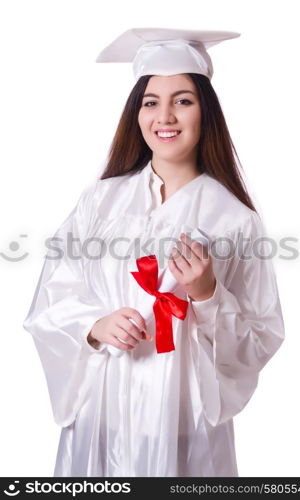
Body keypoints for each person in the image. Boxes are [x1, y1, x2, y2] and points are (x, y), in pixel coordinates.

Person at [23, 28, 285, 477]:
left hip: (182, 422)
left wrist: (206, 295)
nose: (165, 115)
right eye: (150, 102)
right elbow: (51, 298)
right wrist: (93, 325)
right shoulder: (99, 202)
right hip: (101, 415)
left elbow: (261, 336)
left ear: (206, 112)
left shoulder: (234, 219)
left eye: (183, 100)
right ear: (136, 114)